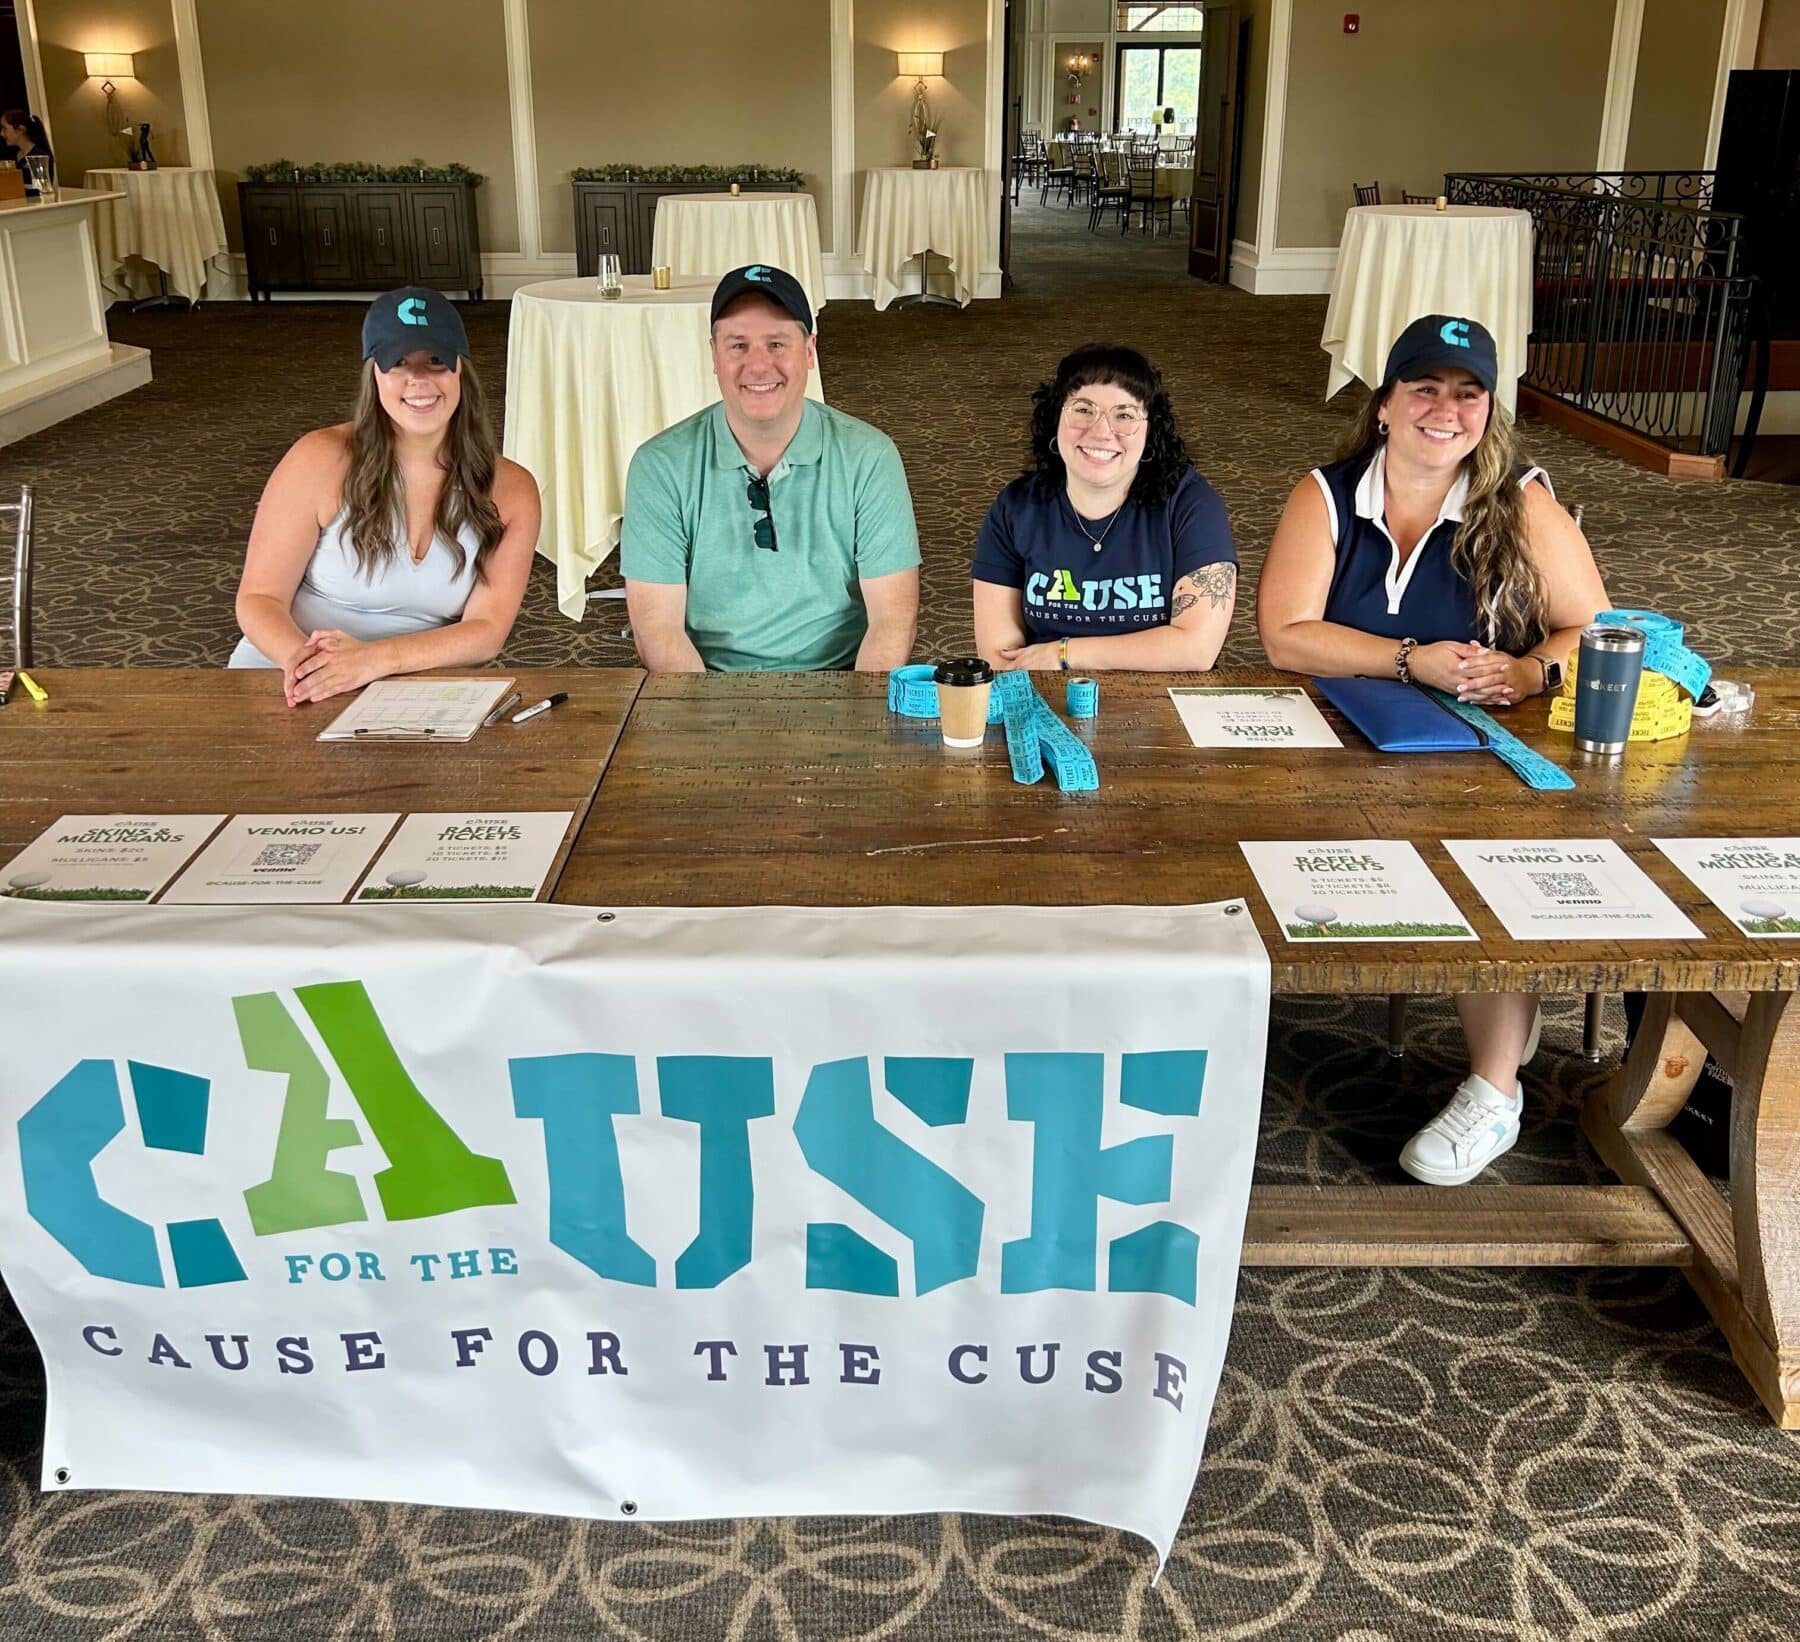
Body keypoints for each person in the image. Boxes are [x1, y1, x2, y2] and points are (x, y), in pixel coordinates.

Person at [1257, 313, 1609, 1188]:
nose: (1444, 410)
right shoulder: (1328, 493)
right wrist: (1411, 659)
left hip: (1481, 748)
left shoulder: (1522, 502)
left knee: (1490, 873)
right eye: (1424, 388)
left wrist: (1529, 674)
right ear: (1384, 405)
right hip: (1344, 738)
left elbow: (1596, 629)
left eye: (1468, 393)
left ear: (1490, 412)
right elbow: (1285, 636)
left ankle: (1495, 1089)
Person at [231, 287, 539, 704]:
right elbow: (258, 599)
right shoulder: (318, 459)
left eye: (435, 362)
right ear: (374, 373)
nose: (419, 380)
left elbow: (486, 631)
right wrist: (312, 667)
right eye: (398, 362)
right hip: (288, 675)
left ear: (460, 370)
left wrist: (373, 661)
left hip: (412, 684)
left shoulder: (512, 488)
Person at [622, 264, 920, 672]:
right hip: (707, 689)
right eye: (738, 345)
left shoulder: (869, 457)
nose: (758, 366)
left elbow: (892, 622)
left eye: (777, 344)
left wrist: (859, 718)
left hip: (839, 685)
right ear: (713, 354)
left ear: (810, 350)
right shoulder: (660, 466)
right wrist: (702, 725)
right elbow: (658, 632)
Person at [972, 343, 1235, 672]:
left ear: (1150, 431)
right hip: (1044, 694)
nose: (1100, 432)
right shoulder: (1015, 507)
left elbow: (1196, 649)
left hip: (1160, 699)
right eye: (1083, 410)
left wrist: (1064, 653)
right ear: (1056, 417)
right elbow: (999, 656)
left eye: (1124, 415)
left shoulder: (1192, 505)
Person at [1, 110, 54, 194]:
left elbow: (42, 188)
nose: (2, 134)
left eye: (4, 129)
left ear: (20, 130)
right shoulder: (16, 155)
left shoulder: (39, 155)